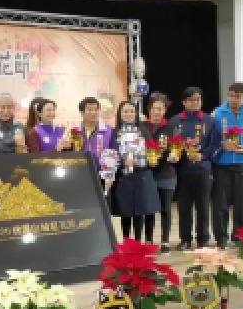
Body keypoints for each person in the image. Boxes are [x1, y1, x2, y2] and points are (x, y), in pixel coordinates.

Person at [169, 87, 221, 250]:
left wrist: (203, 156)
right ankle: (185, 239)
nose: (195, 102)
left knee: (203, 206)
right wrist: (176, 154)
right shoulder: (175, 121)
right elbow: (170, 143)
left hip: (203, 170)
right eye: (191, 100)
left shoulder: (210, 121)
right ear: (184, 102)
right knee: (184, 207)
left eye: (198, 99)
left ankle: (203, 239)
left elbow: (216, 144)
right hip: (182, 170)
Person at [212, 82, 243, 246]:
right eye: (231, 95)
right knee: (221, 204)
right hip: (222, 164)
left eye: (237, 96)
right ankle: (221, 238)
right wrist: (222, 145)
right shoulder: (217, 113)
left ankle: (239, 237)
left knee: (241, 203)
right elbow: (211, 137)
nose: (233, 99)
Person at [109, 100, 161, 241]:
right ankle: (126, 241)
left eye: (132, 111)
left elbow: (152, 149)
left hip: (142, 176)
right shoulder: (115, 133)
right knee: (125, 212)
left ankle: (139, 242)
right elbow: (111, 155)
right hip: (124, 177)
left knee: (141, 211)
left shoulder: (143, 130)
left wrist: (151, 158)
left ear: (136, 113)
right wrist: (122, 162)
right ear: (120, 114)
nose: (129, 114)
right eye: (126, 111)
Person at [143, 92, 178, 254]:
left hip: (166, 174)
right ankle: (149, 240)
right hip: (146, 173)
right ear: (149, 109)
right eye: (154, 108)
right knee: (148, 209)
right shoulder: (142, 127)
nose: (157, 112)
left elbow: (177, 147)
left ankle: (165, 241)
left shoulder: (171, 128)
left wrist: (175, 155)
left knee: (166, 209)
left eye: (160, 109)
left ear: (165, 110)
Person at [76, 97, 115, 176]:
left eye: (96, 110)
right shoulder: (75, 132)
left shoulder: (109, 131)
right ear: (82, 112)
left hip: (103, 175)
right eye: (89, 110)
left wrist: (109, 176)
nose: (93, 113)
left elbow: (113, 154)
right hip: (80, 174)